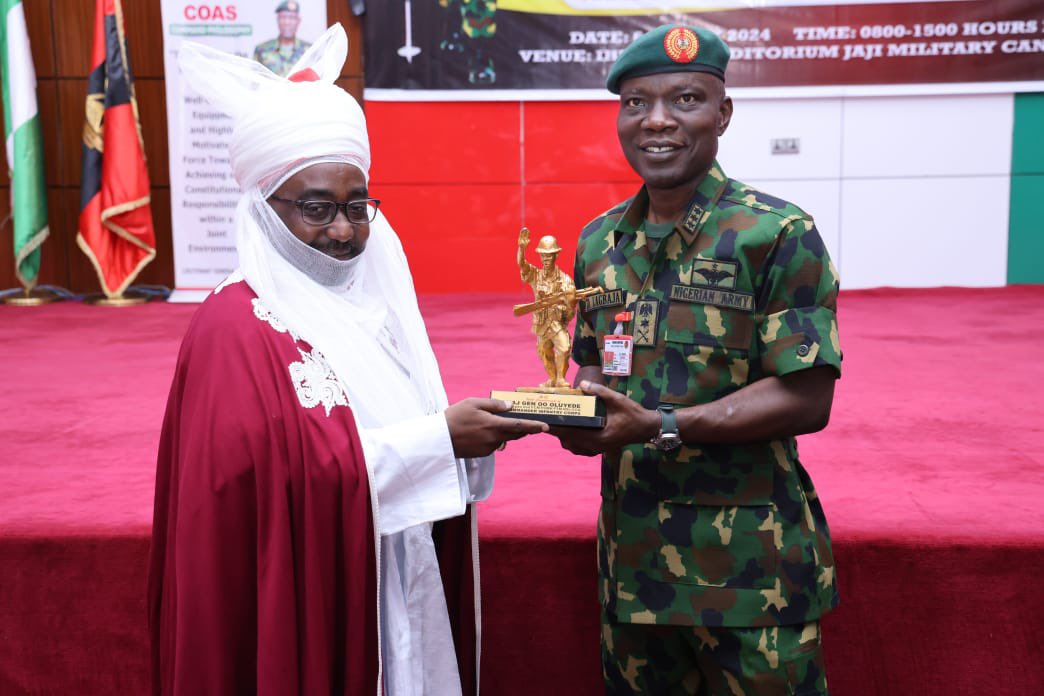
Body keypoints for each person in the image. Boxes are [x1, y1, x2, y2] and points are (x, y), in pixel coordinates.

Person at [148, 25, 545, 695]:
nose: (342, 230)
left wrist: (460, 438)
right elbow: (259, 497)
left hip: (396, 575)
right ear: (264, 209)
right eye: (316, 208)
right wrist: (440, 440)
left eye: (357, 207)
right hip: (305, 605)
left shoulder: (373, 308)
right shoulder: (233, 326)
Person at [549, 24, 843, 696]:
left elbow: (807, 397)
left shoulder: (775, 232)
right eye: (636, 103)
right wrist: (576, 409)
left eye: (684, 99)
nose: (656, 121)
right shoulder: (599, 241)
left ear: (722, 113)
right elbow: (591, 364)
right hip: (633, 570)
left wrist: (659, 426)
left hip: (750, 575)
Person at [516, 228, 577, 389]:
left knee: (564, 347)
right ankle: (552, 378)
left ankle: (561, 379)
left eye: (549, 255)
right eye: (543, 255)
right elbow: (522, 265)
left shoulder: (565, 280)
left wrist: (569, 303)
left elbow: (571, 308)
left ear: (556, 255)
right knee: (544, 351)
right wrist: (521, 248)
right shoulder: (536, 275)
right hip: (542, 322)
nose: (546, 259)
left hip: (556, 321)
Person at [252, 1, 311, 77]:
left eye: (291, 18)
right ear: (277, 20)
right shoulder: (262, 50)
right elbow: (254, 80)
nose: (287, 22)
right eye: (283, 17)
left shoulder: (309, 50)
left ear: (298, 21)